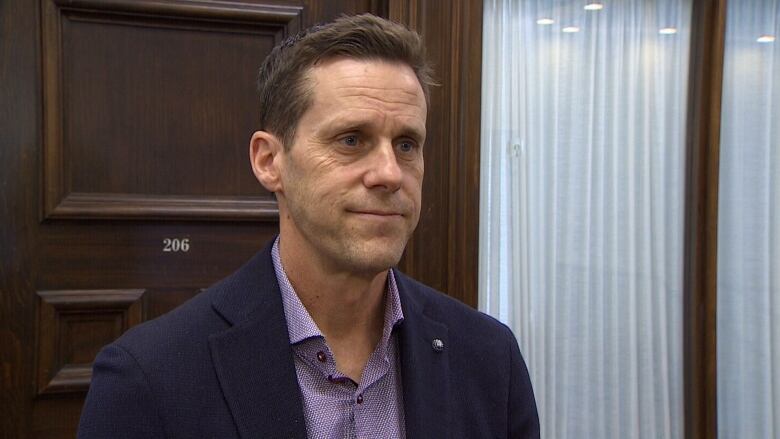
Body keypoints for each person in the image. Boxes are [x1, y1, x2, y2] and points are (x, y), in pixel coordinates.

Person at [77, 14, 539, 439]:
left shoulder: (489, 359)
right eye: (351, 139)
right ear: (269, 161)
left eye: (406, 144)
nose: (390, 173)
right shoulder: (151, 377)